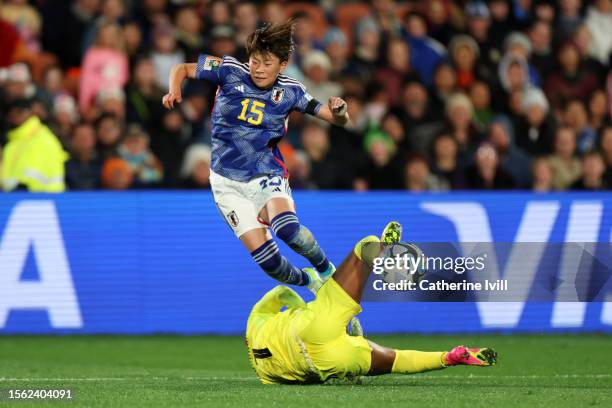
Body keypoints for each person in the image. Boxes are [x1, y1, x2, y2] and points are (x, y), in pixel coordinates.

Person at [162, 21, 350, 291]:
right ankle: (311, 283)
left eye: (267, 63)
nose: (258, 69)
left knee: (288, 231)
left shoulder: (291, 91)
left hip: (266, 173)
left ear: (282, 65)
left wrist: (340, 111)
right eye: (254, 61)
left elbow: (336, 119)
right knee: (271, 264)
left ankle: (326, 271)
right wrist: (174, 89)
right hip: (225, 182)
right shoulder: (228, 70)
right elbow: (181, 68)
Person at [245, 222, 497, 384]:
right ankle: (384, 250)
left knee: (394, 360)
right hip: (313, 328)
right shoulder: (254, 325)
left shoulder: (267, 377)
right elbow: (279, 292)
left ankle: (450, 357)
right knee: (362, 247)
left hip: (326, 360)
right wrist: (310, 289)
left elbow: (400, 359)